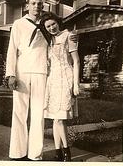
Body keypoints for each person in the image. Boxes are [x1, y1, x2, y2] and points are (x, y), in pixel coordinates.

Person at [6, 0, 78, 161]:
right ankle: (17, 152)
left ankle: (35, 154)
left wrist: (73, 36)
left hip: (42, 73)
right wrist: (10, 74)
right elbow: (11, 50)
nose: (36, 6)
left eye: (40, 4)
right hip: (22, 72)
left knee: (38, 115)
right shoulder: (18, 24)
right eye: (33, 3)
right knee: (19, 113)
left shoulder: (47, 25)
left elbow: (59, 36)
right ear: (27, 5)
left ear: (42, 6)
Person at [40, 12, 80, 161]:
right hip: (53, 81)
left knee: (60, 119)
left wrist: (76, 83)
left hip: (66, 78)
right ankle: (58, 153)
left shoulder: (69, 36)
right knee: (55, 119)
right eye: (48, 26)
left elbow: (76, 61)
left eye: (53, 24)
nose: (51, 28)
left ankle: (66, 152)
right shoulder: (50, 40)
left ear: (58, 22)